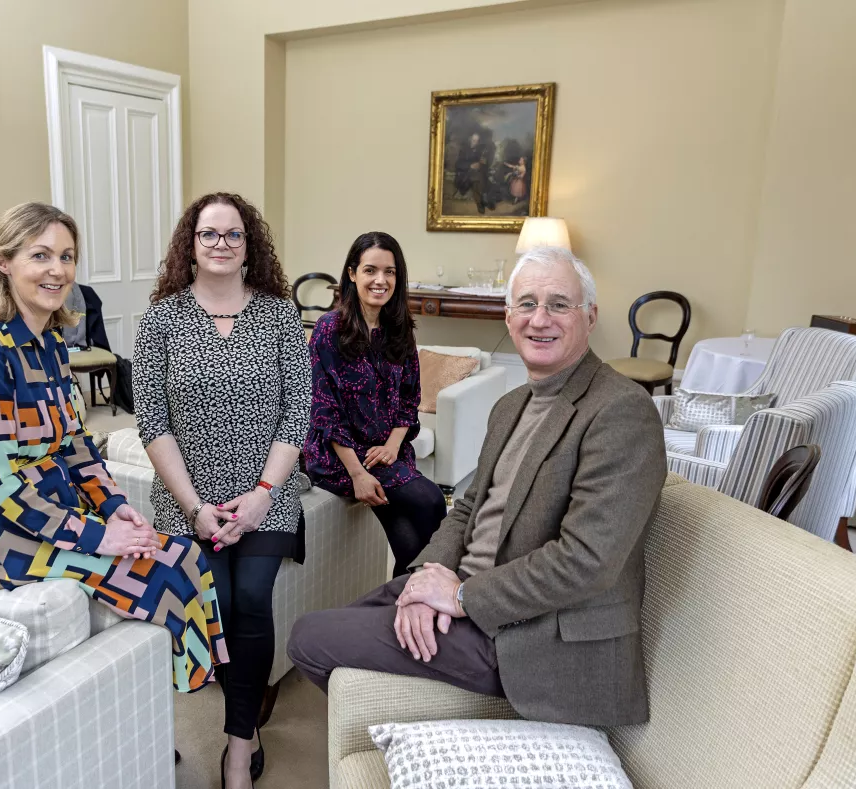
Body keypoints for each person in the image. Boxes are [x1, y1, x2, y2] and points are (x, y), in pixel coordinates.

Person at [288, 246, 668, 728]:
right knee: (358, 612)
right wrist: (430, 575)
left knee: (309, 636)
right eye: (526, 304)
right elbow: (468, 508)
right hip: (466, 591)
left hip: (532, 635)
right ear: (509, 318)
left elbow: (586, 560)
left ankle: (450, 727)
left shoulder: (621, 410)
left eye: (558, 304)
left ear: (590, 316)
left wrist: (463, 598)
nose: (539, 318)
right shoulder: (510, 405)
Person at [0, 202, 227, 702]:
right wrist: (98, 536)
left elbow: (75, 445)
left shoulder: (49, 342)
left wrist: (119, 510)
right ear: (5, 262)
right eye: (41, 255)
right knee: (164, 577)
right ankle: (161, 707)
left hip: (61, 514)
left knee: (187, 557)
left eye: (67, 257)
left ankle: (177, 699)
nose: (58, 270)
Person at [133, 192, 310, 789]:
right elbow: (151, 422)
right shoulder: (160, 319)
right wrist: (195, 507)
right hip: (191, 502)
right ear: (190, 244)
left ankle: (237, 748)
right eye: (209, 234)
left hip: (268, 493)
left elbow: (297, 412)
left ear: (249, 245)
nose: (221, 245)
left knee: (249, 602)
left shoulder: (281, 314)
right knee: (218, 605)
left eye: (233, 235)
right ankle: (248, 726)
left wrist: (262, 494)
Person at [303, 231, 446, 578]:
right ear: (352, 273)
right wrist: (358, 475)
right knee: (430, 501)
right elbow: (324, 410)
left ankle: (404, 601)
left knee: (411, 541)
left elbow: (410, 398)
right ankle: (414, 598)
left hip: (386, 451)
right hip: (339, 456)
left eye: (390, 272)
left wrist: (394, 445)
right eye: (370, 270)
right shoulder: (329, 329)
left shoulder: (399, 329)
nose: (380, 280)